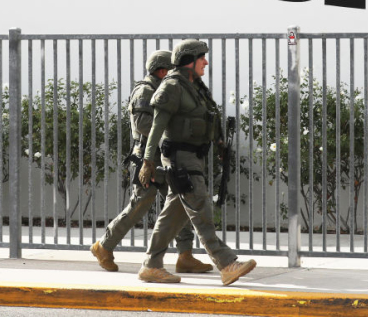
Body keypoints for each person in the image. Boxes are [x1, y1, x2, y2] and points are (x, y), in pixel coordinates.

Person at [137, 40, 256, 286]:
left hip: (194, 156)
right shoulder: (171, 87)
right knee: (201, 207)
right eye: (202, 57)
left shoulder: (194, 87)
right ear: (188, 60)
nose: (206, 62)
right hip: (180, 158)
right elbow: (156, 127)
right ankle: (226, 264)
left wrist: (221, 143)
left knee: (174, 214)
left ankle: (151, 266)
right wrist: (148, 161)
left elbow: (206, 118)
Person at [91, 50, 213, 274]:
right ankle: (103, 246)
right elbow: (142, 124)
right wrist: (174, 128)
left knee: (181, 204)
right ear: (163, 70)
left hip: (166, 158)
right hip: (147, 160)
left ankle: (185, 256)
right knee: (140, 204)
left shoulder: (165, 89)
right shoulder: (144, 91)